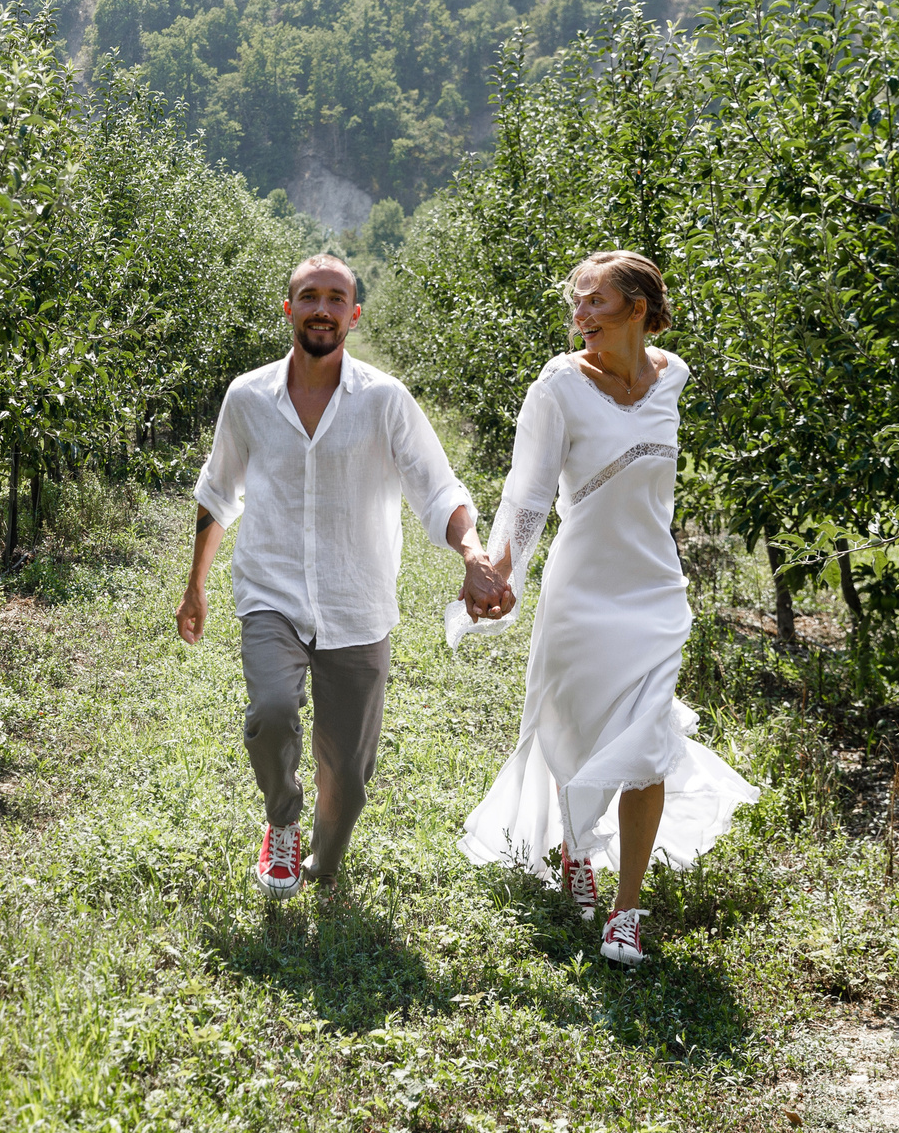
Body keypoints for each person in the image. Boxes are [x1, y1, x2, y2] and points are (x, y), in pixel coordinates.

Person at [458, 251, 758, 965]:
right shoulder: (558, 386)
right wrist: (498, 571)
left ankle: (625, 912)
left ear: (639, 308)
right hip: (582, 589)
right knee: (573, 726)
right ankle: (574, 849)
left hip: (654, 587)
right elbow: (528, 496)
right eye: (577, 303)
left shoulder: (674, 375)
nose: (581, 316)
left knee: (649, 742)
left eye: (595, 301)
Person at [177, 254, 510, 898]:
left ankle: (324, 862)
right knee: (271, 712)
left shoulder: (384, 400)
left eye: (336, 299)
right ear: (289, 309)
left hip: (356, 601)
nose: (322, 309)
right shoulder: (248, 397)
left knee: (349, 778)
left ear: (354, 315)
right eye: (310, 296)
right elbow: (218, 494)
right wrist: (197, 583)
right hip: (271, 592)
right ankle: (282, 826)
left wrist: (472, 554)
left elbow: (437, 488)